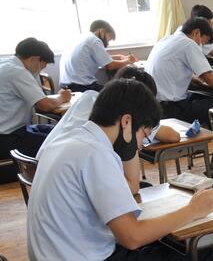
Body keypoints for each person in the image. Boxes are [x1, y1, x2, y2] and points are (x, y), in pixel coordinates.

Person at [27, 79, 213, 261]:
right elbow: (132, 237)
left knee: (172, 246)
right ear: (126, 122)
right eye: (143, 133)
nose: (141, 144)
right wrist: (192, 210)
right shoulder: (95, 153)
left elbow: (126, 200)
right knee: (198, 249)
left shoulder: (71, 139)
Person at [36, 66, 179, 193]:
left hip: (39, 169)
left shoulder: (89, 98)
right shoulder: (99, 148)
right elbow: (132, 187)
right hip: (70, 181)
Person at [0, 37, 71, 183]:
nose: (40, 70)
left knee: (58, 131)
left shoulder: (5, 64)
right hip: (10, 137)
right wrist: (62, 97)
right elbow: (44, 105)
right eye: (42, 65)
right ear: (34, 59)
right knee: (63, 142)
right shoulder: (18, 72)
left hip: (15, 130)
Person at [146, 17, 213, 124]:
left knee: (206, 96)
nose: (201, 46)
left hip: (156, 106)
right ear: (197, 32)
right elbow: (212, 80)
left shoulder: (165, 40)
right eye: (203, 42)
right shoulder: (188, 43)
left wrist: (195, 78)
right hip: (171, 109)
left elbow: (172, 70)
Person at [59, 20, 137, 92]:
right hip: (81, 87)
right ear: (102, 31)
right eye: (109, 39)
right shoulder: (94, 40)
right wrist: (128, 61)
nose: (108, 43)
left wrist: (119, 57)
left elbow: (101, 58)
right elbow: (110, 66)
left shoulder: (82, 38)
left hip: (66, 86)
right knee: (115, 94)